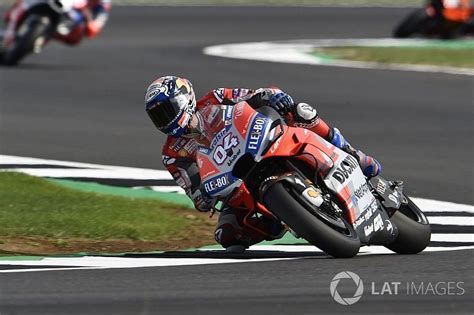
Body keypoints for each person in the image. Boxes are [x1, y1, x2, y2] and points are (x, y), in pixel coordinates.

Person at [145, 76, 381, 252]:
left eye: (167, 110)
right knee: (227, 236)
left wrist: (270, 96)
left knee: (301, 111)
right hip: (237, 183)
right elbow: (194, 190)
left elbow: (251, 95)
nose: (164, 119)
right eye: (158, 116)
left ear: (184, 99)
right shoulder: (172, 154)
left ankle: (351, 152)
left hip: (263, 141)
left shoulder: (214, 98)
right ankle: (281, 220)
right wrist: (202, 198)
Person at [2, 0, 111, 49]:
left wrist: (92, 24)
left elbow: (98, 20)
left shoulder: (103, 2)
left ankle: (41, 38)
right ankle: (9, 29)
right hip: (44, 3)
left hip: (70, 13)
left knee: (77, 36)